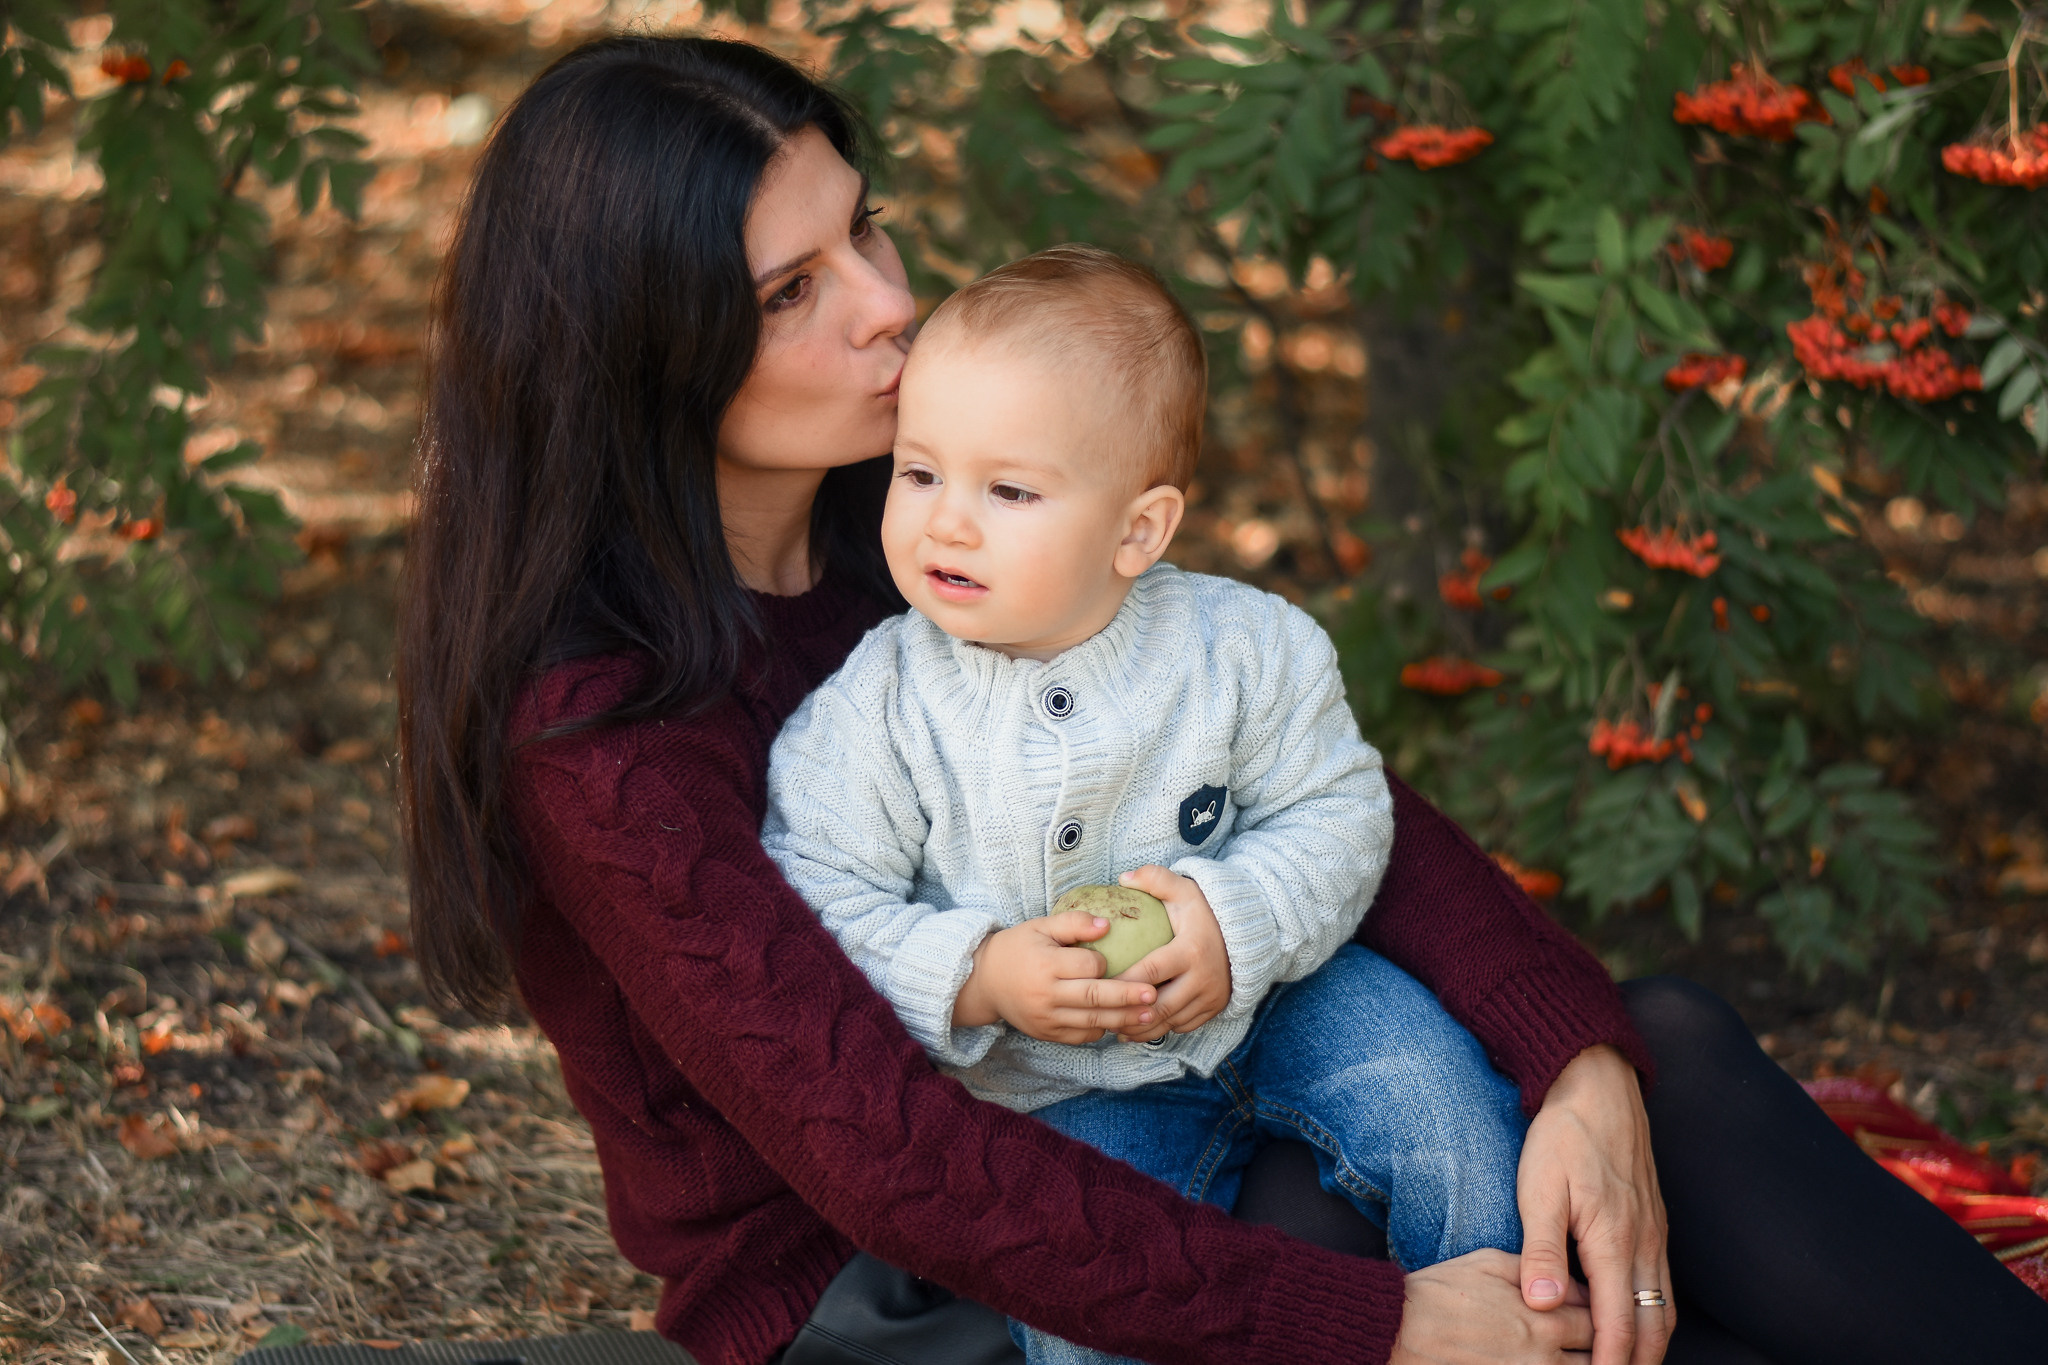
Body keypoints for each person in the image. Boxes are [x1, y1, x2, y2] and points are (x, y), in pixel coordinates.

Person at [394, 31, 2048, 1365]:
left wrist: (1577, 1062)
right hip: (904, 1277)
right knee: (1410, 1248)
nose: (890, 302)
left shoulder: (917, 520)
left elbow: (1295, 776)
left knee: (1646, 1063)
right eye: (790, 292)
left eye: (864, 230)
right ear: (642, 351)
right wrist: (1389, 1328)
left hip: (1142, 1106)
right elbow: (898, 1163)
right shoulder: (600, 726)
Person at [760, 246, 1530, 1363]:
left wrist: (1233, 920)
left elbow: (1340, 812)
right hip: (1057, 1094)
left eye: (1008, 490)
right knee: (1079, 1298)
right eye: (919, 473)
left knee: (1443, 1105)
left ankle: (1511, 1327)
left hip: (1286, 998)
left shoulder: (1246, 648)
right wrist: (978, 975)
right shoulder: (877, 709)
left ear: (1138, 530)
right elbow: (815, 899)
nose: (946, 523)